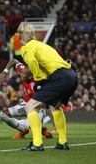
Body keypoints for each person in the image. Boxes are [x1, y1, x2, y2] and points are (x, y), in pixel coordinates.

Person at [17, 23, 78, 151]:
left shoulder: (27, 47)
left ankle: (37, 144)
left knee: (30, 106)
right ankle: (62, 142)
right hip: (71, 75)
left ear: (21, 36)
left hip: (59, 77)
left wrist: (38, 79)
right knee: (54, 106)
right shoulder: (43, 45)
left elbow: (32, 62)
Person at [0, 58, 53, 140]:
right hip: (26, 105)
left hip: (37, 109)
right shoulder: (25, 70)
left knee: (32, 126)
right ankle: (25, 130)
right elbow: (13, 61)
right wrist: (5, 71)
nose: (21, 75)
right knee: (3, 114)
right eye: (22, 73)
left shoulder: (36, 86)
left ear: (30, 76)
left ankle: (38, 128)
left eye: (24, 74)